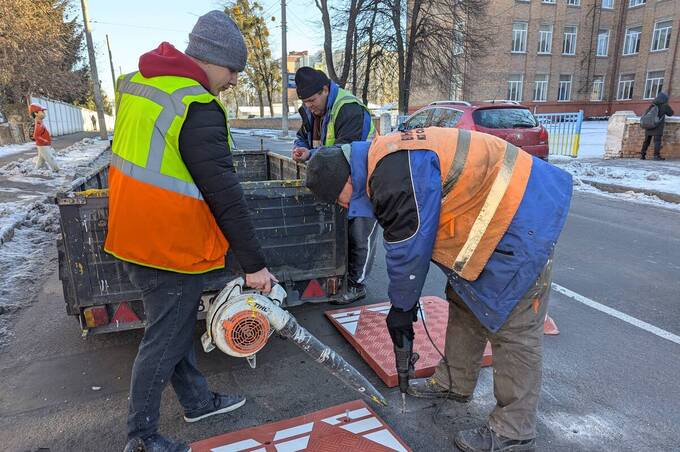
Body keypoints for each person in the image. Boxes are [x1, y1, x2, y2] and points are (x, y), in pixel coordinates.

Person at [305, 127, 573, 452]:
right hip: (494, 217)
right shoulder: (381, 161)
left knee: (513, 328)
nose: (343, 205)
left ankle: (513, 431)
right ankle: (454, 382)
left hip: (525, 218)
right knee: (464, 298)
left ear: (346, 180)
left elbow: (408, 250)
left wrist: (401, 310)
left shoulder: (390, 178)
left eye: (338, 198)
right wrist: (401, 307)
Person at [104, 11, 276, 452]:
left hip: (134, 233)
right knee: (166, 337)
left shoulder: (141, 85)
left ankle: (197, 401)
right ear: (213, 60)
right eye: (233, 69)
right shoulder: (196, 105)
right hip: (167, 245)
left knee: (173, 328)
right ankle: (140, 438)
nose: (235, 79)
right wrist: (255, 266)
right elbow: (225, 194)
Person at [292, 67, 377, 304]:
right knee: (342, 234)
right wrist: (301, 146)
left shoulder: (349, 109)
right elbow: (303, 135)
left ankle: (357, 284)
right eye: (305, 102)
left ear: (325, 89)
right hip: (337, 180)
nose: (309, 106)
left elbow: (345, 152)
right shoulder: (311, 112)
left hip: (363, 179)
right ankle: (342, 277)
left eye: (312, 100)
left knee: (361, 235)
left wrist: (311, 154)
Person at [640, 92, 674, 160]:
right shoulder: (665, 106)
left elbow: (646, 113)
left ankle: (642, 155)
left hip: (649, 125)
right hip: (657, 126)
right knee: (657, 141)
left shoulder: (653, 104)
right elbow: (670, 113)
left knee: (646, 141)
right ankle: (656, 156)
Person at [28, 103, 59, 172]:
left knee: (41, 160)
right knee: (50, 158)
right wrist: (45, 141)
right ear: (36, 113)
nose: (44, 113)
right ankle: (56, 169)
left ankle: (36, 169)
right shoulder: (38, 124)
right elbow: (36, 136)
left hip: (43, 144)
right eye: (42, 111)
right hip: (43, 145)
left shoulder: (40, 122)